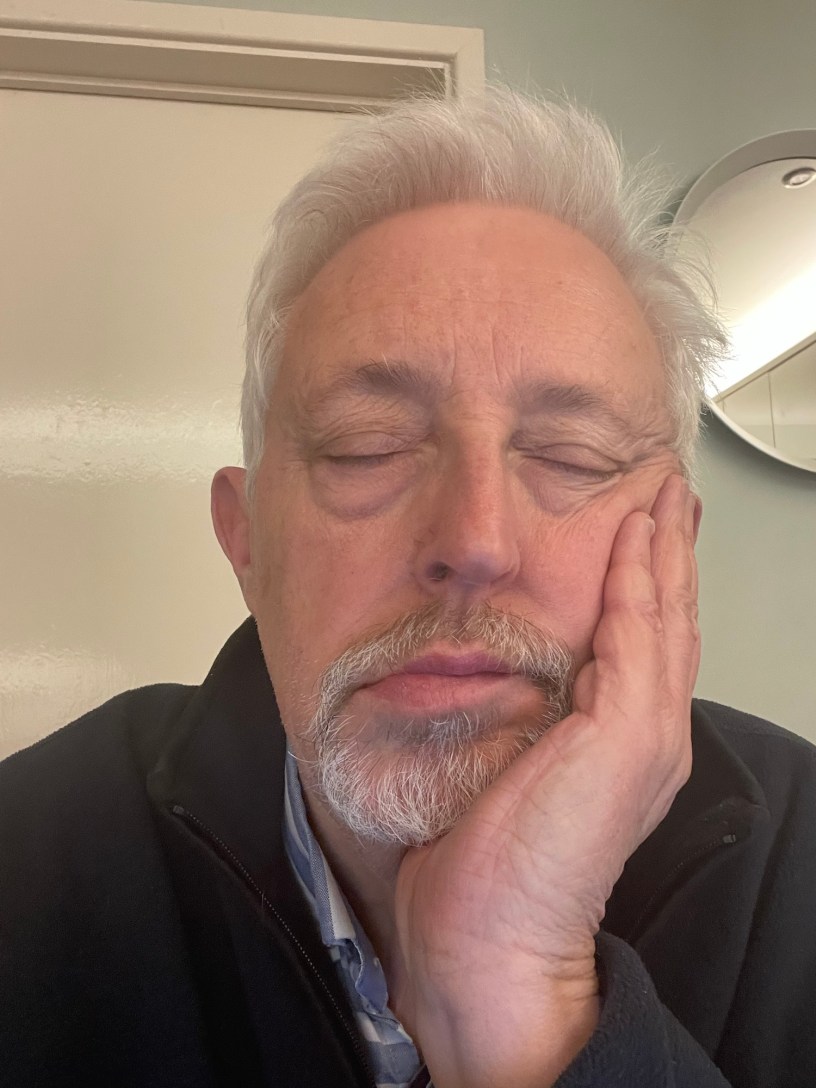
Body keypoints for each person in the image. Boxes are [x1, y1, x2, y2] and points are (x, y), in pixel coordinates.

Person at [1, 88, 815, 1088]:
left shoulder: (805, 866)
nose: (473, 539)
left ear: (674, 545)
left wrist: (520, 994)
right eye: (367, 446)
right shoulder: (26, 860)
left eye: (573, 455)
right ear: (245, 539)